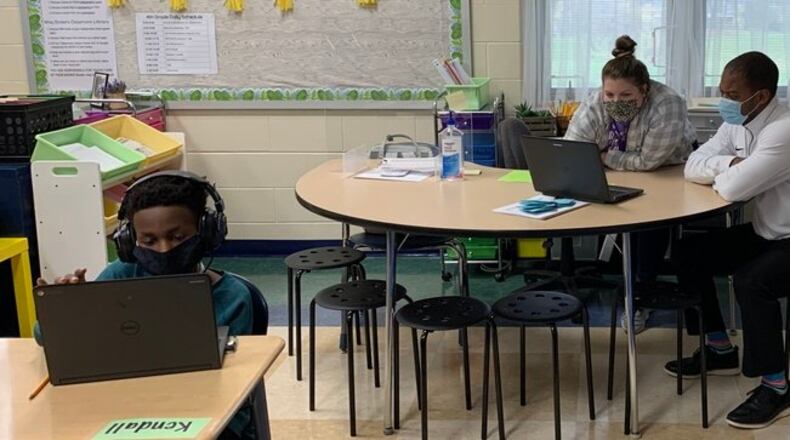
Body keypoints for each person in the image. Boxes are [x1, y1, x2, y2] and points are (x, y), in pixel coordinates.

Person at [36, 171, 255, 439]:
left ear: (207, 231)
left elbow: (236, 389)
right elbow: (45, 337)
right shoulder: (121, 275)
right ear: (129, 241)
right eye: (148, 241)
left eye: (177, 237)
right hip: (127, 411)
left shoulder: (232, 297)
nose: (163, 249)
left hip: (207, 415)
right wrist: (67, 310)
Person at [669, 51, 790, 429]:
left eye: (732, 93)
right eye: (722, 90)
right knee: (688, 254)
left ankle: (776, 386)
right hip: (768, 230)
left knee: (754, 282)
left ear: (762, 96)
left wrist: (727, 172)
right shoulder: (738, 123)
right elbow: (693, 165)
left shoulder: (784, 129)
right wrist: (730, 164)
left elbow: (735, 190)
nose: (724, 100)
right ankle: (718, 347)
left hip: (786, 236)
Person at [564, 35, 697, 333]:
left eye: (626, 97)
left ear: (644, 91)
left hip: (667, 170)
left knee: (650, 223)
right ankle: (626, 280)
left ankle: (640, 296)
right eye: (609, 95)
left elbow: (650, 161)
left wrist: (603, 156)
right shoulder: (596, 101)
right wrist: (602, 159)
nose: (615, 103)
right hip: (617, 168)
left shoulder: (668, 103)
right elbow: (574, 150)